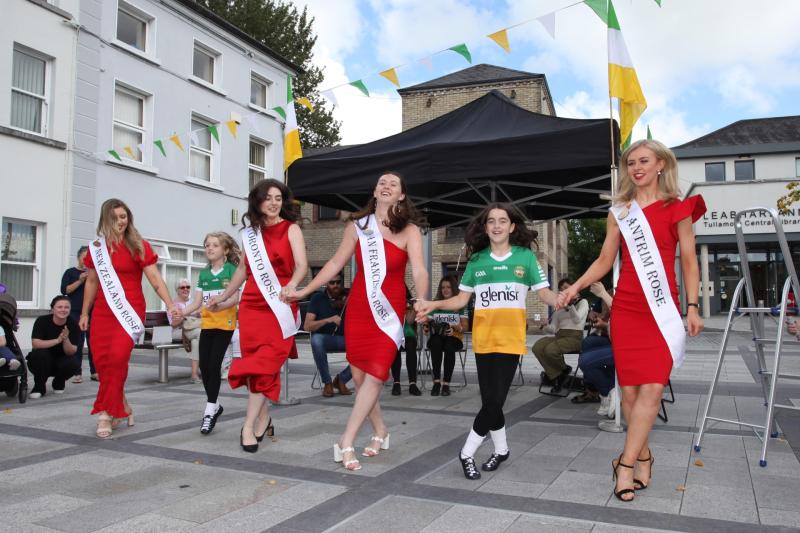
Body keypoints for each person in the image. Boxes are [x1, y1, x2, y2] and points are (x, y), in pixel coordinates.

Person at [560, 139, 705, 502]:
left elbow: (689, 261)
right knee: (629, 395)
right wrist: (575, 286)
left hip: (663, 310)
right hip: (627, 310)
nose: (636, 167)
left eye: (644, 160)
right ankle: (644, 455)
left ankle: (623, 464)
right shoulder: (620, 212)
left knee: (653, 390)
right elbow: (604, 261)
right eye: (630, 162)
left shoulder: (678, 208)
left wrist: (692, 305)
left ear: (660, 165)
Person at [285, 171, 428, 471]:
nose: (387, 186)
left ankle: (345, 441)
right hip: (361, 310)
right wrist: (306, 290)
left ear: (402, 195)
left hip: (388, 311)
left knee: (375, 375)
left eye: (394, 184)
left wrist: (423, 299)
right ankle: (381, 431)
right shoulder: (358, 226)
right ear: (375, 191)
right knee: (362, 379)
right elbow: (336, 263)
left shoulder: (410, 231)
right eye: (382, 183)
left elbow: (418, 270)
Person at [415, 203, 559, 480]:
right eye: (491, 221)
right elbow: (461, 299)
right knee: (491, 401)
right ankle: (502, 449)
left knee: (494, 403)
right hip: (483, 340)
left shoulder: (525, 258)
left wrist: (562, 298)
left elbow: (545, 294)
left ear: (512, 226)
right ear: (485, 227)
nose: (496, 225)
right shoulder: (477, 260)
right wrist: (434, 304)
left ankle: (467, 452)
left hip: (509, 340)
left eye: (502, 221)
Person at [207, 179, 308, 453]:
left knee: (266, 363)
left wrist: (292, 285)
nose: (274, 202)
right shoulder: (250, 234)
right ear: (258, 202)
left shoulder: (292, 229)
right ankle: (263, 417)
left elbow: (302, 265)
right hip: (252, 306)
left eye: (278, 198)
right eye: (268, 198)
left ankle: (248, 424)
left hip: (280, 304)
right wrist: (225, 296)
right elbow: (242, 270)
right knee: (258, 367)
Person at [80, 198, 180, 439]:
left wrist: (170, 305)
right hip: (103, 311)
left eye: (123, 216)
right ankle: (121, 405)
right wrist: (84, 312)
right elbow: (92, 282)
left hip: (129, 310)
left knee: (116, 357)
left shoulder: (138, 245)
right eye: (115, 218)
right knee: (104, 363)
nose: (120, 222)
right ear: (106, 219)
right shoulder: (97, 248)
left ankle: (105, 413)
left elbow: (155, 280)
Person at [180, 232, 241, 434]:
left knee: (214, 365)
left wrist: (220, 304)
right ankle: (215, 407)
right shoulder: (204, 273)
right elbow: (196, 303)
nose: (210, 248)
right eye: (207, 245)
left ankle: (209, 410)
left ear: (225, 250)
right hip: (207, 325)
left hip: (225, 325)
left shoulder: (232, 270)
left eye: (215, 245)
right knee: (205, 368)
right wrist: (180, 312)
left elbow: (235, 298)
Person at [532, 278, 589, 391]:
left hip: (575, 337)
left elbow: (577, 319)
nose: (564, 291)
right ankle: (561, 373)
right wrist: (545, 326)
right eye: (561, 290)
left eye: (566, 288)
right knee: (537, 347)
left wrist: (568, 306)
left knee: (550, 350)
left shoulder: (583, 302)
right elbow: (553, 329)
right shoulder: (559, 308)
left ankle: (559, 377)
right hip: (560, 336)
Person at [304, 271, 352, 398]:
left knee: (368, 347)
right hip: (324, 340)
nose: (336, 285)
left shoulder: (348, 297)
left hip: (345, 339)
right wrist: (327, 320)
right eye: (332, 283)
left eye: (338, 282)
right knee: (316, 339)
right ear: (326, 283)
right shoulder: (318, 298)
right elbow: (307, 326)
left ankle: (342, 379)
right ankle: (327, 382)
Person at [572, 282, 616, 418]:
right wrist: (594, 315)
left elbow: (624, 324)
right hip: (608, 335)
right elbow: (595, 312)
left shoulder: (635, 294)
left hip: (627, 343)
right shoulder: (609, 291)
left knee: (586, 360)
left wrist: (605, 325)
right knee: (587, 343)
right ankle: (596, 389)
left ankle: (607, 391)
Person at [27, 295, 81, 398]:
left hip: (61, 360)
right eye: (60, 307)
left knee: (74, 362)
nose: (63, 310)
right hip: (42, 360)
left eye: (66, 307)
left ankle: (59, 381)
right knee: (40, 355)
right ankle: (39, 387)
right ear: (53, 309)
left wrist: (65, 339)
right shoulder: (42, 321)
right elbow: (36, 343)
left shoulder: (73, 324)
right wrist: (57, 340)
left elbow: (71, 351)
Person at [424, 275, 468, 397]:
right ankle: (437, 382)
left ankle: (446, 384)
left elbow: (465, 327)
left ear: (453, 288)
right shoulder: (436, 304)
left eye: (448, 287)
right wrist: (426, 327)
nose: (445, 290)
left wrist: (457, 327)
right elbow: (427, 327)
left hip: (454, 338)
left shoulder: (460, 305)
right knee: (436, 342)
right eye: (443, 287)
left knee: (449, 345)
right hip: (437, 338)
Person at [60, 246, 97, 382]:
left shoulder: (94, 273)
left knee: (93, 342)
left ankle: (95, 371)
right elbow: (65, 290)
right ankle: (77, 373)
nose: (87, 260)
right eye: (85, 257)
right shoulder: (70, 273)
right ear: (78, 257)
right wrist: (80, 280)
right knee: (78, 342)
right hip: (75, 312)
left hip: (92, 312)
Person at [391, 286, 421, 396]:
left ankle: (412, 384)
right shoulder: (389, 302)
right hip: (394, 335)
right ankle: (396, 382)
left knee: (411, 344)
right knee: (394, 345)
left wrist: (413, 307)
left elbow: (409, 321)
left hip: (408, 334)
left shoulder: (409, 303)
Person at [170, 278, 200, 383]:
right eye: (182, 287)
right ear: (177, 290)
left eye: (188, 287)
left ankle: (194, 374)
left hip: (194, 330)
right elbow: (173, 324)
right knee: (202, 334)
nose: (185, 289)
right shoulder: (173, 305)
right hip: (179, 331)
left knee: (196, 341)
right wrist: (185, 315)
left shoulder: (194, 302)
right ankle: (207, 366)